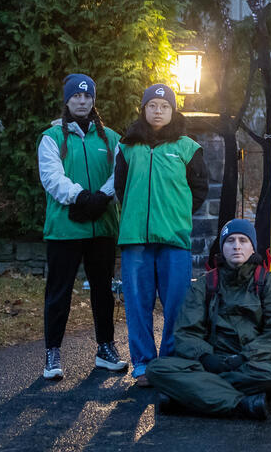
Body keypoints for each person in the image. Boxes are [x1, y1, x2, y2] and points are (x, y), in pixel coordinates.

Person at [147, 219, 271, 419]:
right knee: (156, 369)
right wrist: (207, 358)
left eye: (243, 240)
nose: (236, 246)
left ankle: (189, 395)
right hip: (209, 363)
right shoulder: (204, 284)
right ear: (222, 247)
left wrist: (243, 357)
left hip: (251, 364)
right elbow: (186, 333)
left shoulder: (268, 284)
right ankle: (242, 404)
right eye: (230, 241)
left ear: (252, 248)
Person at [115, 83, 209, 386]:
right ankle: (143, 364)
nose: (158, 111)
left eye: (164, 106)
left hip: (174, 239)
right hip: (135, 240)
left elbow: (200, 189)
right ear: (144, 109)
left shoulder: (188, 147)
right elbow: (121, 188)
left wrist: (176, 213)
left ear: (173, 110)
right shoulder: (127, 147)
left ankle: (168, 363)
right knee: (137, 305)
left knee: (176, 306)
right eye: (152, 106)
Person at [37, 73, 128, 380]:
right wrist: (80, 197)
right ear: (67, 100)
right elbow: (52, 177)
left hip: (102, 228)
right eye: (76, 95)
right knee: (58, 292)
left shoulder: (111, 138)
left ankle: (105, 348)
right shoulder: (51, 137)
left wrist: (102, 196)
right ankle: (52, 353)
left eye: (87, 96)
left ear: (93, 101)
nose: (82, 101)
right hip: (65, 228)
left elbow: (119, 173)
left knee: (103, 291)